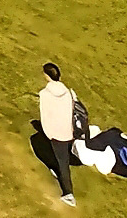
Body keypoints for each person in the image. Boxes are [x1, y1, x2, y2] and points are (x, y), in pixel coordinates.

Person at [36, 62, 80, 205]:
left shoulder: (45, 94)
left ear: (46, 75)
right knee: (62, 157)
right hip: (69, 131)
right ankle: (58, 172)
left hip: (56, 133)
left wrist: (48, 132)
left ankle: (69, 194)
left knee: (63, 163)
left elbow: (45, 115)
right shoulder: (67, 92)